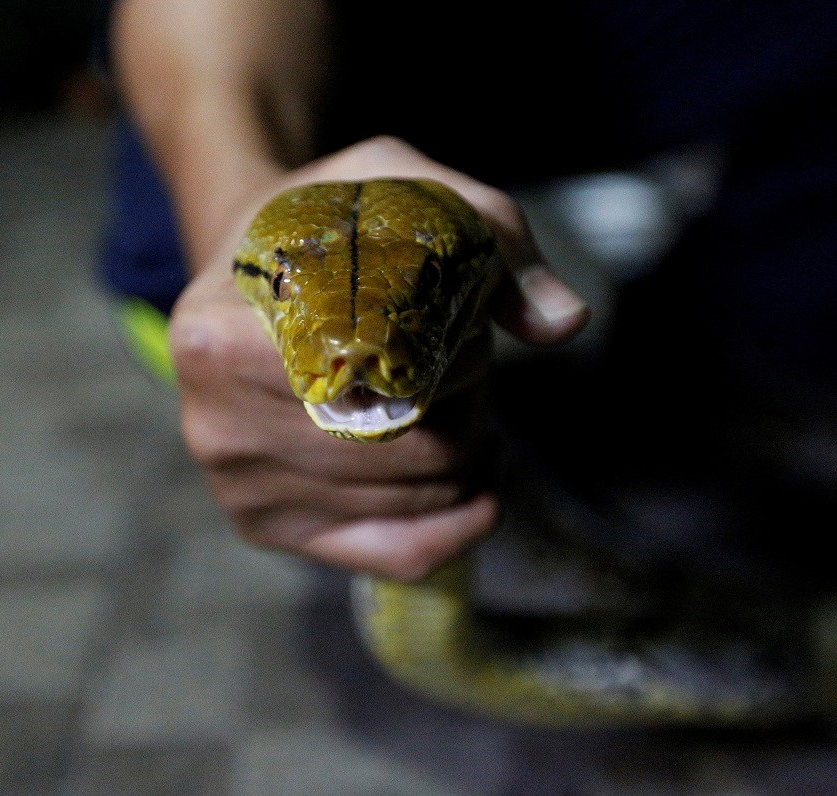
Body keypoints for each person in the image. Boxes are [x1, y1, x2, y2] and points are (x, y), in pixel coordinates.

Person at [98, 0, 837, 597]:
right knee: (186, 233)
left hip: (570, 45)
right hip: (343, 47)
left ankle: (717, 373)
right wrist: (234, 210)